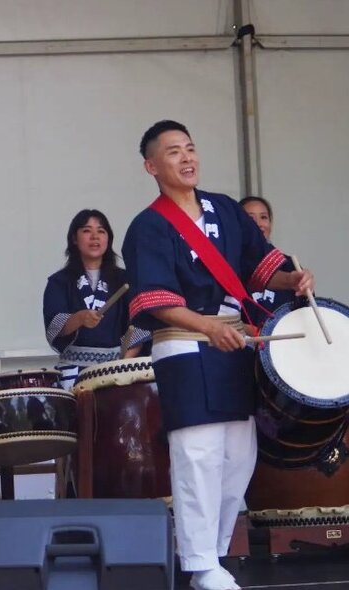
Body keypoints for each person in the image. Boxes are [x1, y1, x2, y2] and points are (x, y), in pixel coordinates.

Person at [122, 120, 312, 590]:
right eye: (172, 152)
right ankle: (199, 561)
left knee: (237, 456)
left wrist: (293, 280)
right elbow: (153, 301)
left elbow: (262, 264)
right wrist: (206, 326)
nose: (186, 158)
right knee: (198, 456)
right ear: (151, 166)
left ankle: (215, 553)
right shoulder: (149, 225)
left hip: (235, 344)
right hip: (186, 345)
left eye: (190, 148)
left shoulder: (225, 209)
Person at [43, 209, 148, 390]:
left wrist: (122, 365)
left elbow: (139, 327)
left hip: (116, 371)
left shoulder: (125, 280)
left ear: (108, 239)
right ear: (74, 239)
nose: (94, 237)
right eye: (86, 231)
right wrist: (80, 318)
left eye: (101, 231)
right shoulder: (59, 282)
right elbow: (55, 326)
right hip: (74, 371)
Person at [239, 196, 296, 324]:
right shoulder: (231, 264)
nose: (259, 224)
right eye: (250, 218)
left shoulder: (290, 265)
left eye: (263, 217)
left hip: (282, 342)